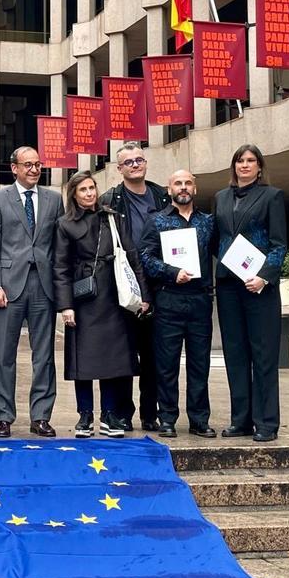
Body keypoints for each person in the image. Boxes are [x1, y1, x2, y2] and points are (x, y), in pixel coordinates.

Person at [54, 171, 150, 438]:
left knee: (113, 360)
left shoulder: (113, 217)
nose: (89, 193)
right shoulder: (65, 224)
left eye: (92, 188)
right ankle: (85, 416)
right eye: (83, 189)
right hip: (83, 298)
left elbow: (133, 257)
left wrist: (143, 295)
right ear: (74, 194)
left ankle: (110, 415)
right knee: (82, 360)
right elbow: (60, 267)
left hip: (115, 296)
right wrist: (66, 306)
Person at [0, 146, 62, 438]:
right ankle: (3, 417)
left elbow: (58, 246)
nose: (33, 169)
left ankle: (41, 416)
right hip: (7, 285)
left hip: (43, 285)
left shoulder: (54, 199)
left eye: (38, 164)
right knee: (4, 354)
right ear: (14, 167)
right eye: (27, 164)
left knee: (44, 354)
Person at [213, 144, 287, 442]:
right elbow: (216, 239)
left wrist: (264, 277)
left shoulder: (272, 196)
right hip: (229, 285)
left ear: (259, 167)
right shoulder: (220, 197)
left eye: (251, 161)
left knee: (264, 355)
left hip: (259, 287)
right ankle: (240, 420)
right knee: (235, 354)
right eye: (240, 161)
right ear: (234, 166)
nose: (245, 165)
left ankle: (267, 423)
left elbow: (279, 244)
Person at [139, 169, 217, 439]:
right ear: (169, 189)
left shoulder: (208, 222)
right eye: (177, 184)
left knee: (199, 364)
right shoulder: (156, 221)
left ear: (194, 188)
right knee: (166, 363)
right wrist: (173, 272)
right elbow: (145, 258)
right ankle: (168, 418)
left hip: (199, 299)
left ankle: (199, 419)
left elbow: (223, 252)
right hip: (169, 298)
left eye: (187, 183)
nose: (183, 188)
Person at [99, 141, 169, 432]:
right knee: (122, 353)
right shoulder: (109, 200)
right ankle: (120, 413)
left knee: (154, 353)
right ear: (119, 169)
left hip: (159, 283)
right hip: (123, 285)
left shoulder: (163, 197)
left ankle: (150, 413)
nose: (136, 165)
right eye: (129, 162)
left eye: (139, 160)